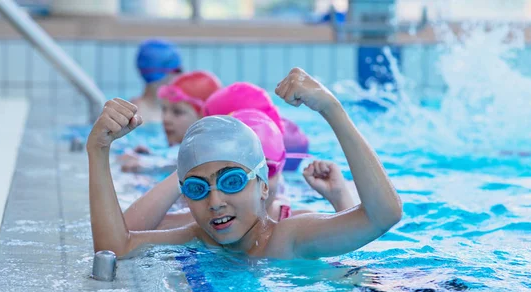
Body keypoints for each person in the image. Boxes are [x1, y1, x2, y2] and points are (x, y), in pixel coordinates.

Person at [87, 67, 402, 259]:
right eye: (198, 189)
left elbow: (383, 216)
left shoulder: (288, 238)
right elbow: (115, 247)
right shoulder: (198, 236)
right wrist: (98, 151)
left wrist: (332, 110)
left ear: (263, 187)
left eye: (232, 182)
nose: (215, 202)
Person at [121, 108, 355, 230]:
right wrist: (188, 169)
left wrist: (340, 199)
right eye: (230, 179)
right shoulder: (202, 220)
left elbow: (353, 240)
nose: (219, 199)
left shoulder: (292, 222)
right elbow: (125, 234)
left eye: (269, 172)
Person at [120, 71, 222, 173]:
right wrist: (151, 156)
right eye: (164, 109)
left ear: (204, 118)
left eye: (177, 112)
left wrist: (148, 165)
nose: (166, 118)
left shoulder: (209, 154)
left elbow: (191, 166)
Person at [129, 39, 182, 124]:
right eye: (178, 70)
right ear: (165, 73)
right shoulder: (137, 117)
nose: (181, 75)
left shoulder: (131, 111)